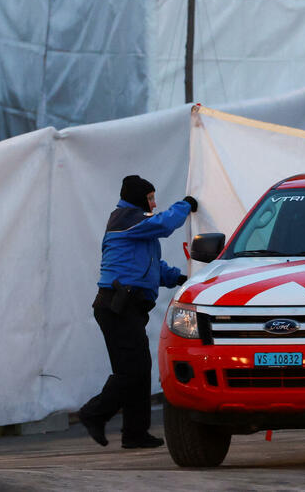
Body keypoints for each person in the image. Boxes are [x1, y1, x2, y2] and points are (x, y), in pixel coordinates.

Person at [79, 175, 198, 449]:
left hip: (125, 306)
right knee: (132, 371)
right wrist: (186, 205)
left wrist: (179, 279)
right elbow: (165, 223)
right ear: (138, 198)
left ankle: (135, 434)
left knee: (139, 370)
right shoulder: (126, 219)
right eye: (150, 198)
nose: (154, 204)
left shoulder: (135, 224)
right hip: (117, 306)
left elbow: (150, 266)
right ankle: (94, 413)